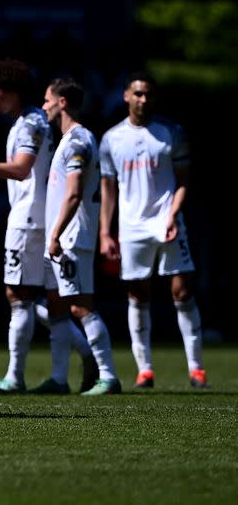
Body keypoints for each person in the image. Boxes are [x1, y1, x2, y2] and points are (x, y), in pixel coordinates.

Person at [0, 59, 93, 394]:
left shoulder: (29, 123)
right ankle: (64, 372)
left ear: (12, 92)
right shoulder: (33, 120)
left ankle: (14, 377)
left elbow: (21, 169)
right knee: (53, 301)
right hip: (43, 217)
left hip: (27, 219)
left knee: (18, 296)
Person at [99, 71, 208, 389]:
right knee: (137, 294)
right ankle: (144, 369)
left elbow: (184, 180)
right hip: (132, 227)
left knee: (182, 291)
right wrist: (106, 232)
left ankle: (197, 368)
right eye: (138, 94)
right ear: (126, 96)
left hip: (167, 221)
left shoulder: (172, 132)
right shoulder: (111, 139)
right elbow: (108, 189)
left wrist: (173, 214)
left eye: (148, 95)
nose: (143, 100)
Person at [29, 78, 121, 395]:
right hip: (62, 238)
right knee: (55, 307)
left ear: (62, 102)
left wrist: (55, 233)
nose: (44, 106)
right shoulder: (67, 140)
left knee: (82, 306)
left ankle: (108, 375)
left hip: (72, 237)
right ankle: (58, 378)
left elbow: (74, 194)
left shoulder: (78, 141)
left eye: (47, 100)